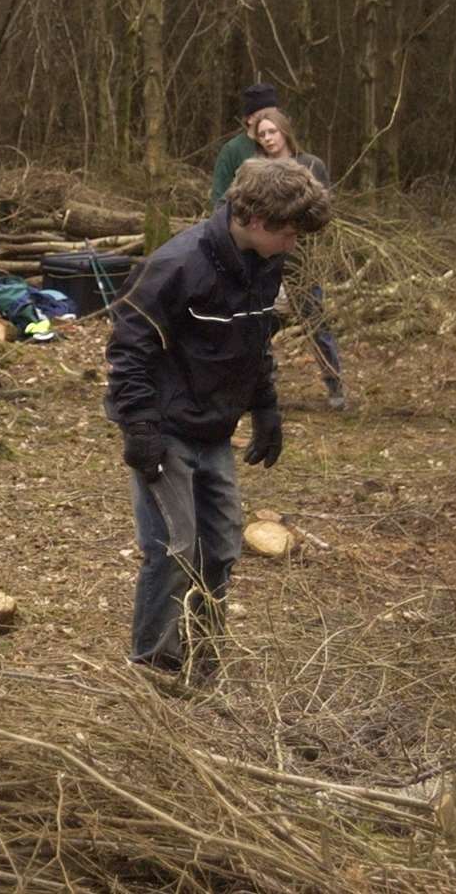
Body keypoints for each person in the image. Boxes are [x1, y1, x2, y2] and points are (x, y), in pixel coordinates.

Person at [106, 157, 331, 677]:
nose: (294, 243)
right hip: (164, 426)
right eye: (290, 233)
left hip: (215, 427)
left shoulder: (265, 262)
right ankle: (153, 664)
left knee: (222, 545)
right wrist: (139, 425)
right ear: (257, 220)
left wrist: (266, 405)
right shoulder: (177, 265)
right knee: (173, 547)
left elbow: (255, 342)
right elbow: (127, 347)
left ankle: (203, 654)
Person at [252, 108, 346, 410]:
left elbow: (322, 209)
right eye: (262, 134)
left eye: (272, 132)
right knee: (259, 324)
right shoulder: (257, 170)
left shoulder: (310, 165)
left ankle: (335, 386)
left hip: (301, 261)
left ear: (284, 131)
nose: (268, 139)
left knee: (316, 323)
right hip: (265, 260)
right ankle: (264, 384)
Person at [210, 82, 279, 208]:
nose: (270, 119)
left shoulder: (282, 145)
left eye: (274, 114)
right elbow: (219, 197)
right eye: (265, 115)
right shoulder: (233, 150)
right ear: (250, 118)